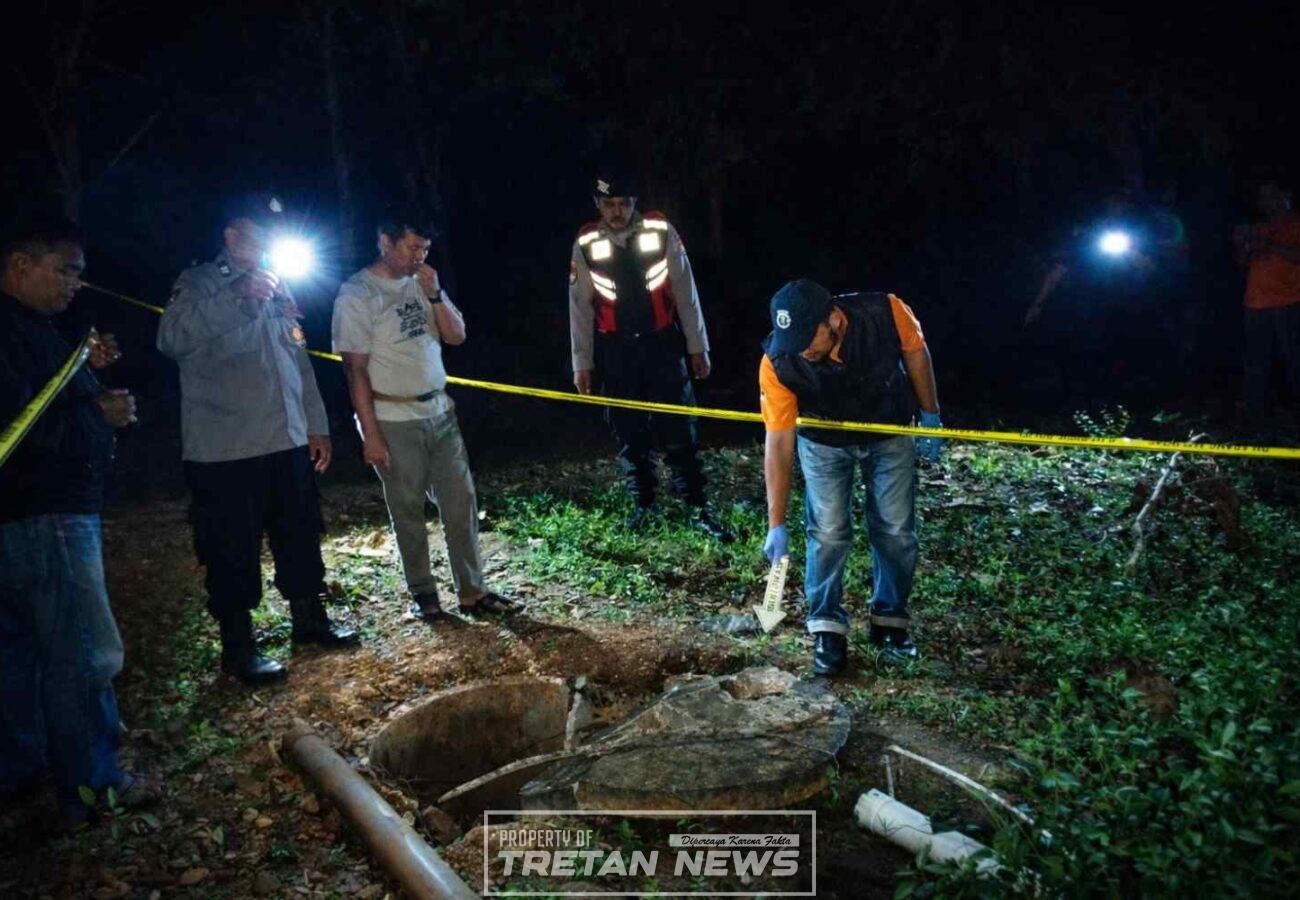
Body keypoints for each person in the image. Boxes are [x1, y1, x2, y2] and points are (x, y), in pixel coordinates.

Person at [157, 195, 356, 686]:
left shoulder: (279, 284)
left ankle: (310, 621)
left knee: (301, 533)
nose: (269, 242)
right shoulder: (198, 283)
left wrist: (315, 425)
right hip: (225, 449)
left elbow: (297, 360)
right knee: (229, 547)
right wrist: (236, 296)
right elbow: (170, 339)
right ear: (232, 236)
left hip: (285, 441)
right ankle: (239, 646)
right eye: (259, 232)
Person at [0, 216, 154, 827]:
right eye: (65, 269)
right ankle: (94, 785)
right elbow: (32, 431)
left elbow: (45, 404)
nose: (76, 285)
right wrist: (102, 414)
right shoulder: (12, 335)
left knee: (19, 654)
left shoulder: (31, 332)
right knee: (83, 651)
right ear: (20, 264)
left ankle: (26, 776)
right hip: (47, 516)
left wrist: (82, 375)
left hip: (18, 519)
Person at [332, 208, 513, 621]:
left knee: (460, 502)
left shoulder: (423, 282)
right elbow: (354, 369)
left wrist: (435, 294)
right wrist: (370, 434)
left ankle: (473, 590)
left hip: (440, 409)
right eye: (413, 248)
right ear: (385, 242)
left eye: (426, 249)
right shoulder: (357, 294)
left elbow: (457, 336)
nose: (420, 256)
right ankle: (424, 594)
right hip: (393, 418)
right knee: (408, 508)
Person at [759, 280, 943, 676]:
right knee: (827, 532)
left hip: (889, 431)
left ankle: (890, 622)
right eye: (792, 340)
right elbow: (778, 442)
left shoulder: (887, 312)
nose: (801, 351)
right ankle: (827, 628)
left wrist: (930, 413)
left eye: (809, 339)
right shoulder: (778, 361)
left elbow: (916, 354)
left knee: (895, 529)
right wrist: (776, 523)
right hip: (823, 442)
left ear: (834, 320)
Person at [568, 173, 728, 538]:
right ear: (597, 204)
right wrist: (583, 363)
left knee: (679, 426)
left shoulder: (660, 232)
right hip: (615, 349)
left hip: (662, 344)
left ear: (634, 202)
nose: (617, 211)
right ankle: (644, 504)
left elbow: (686, 293)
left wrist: (697, 347)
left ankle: (697, 506)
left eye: (624, 203)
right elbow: (579, 308)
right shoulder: (586, 243)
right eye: (609, 204)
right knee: (628, 429)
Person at [1233, 179, 1300, 423]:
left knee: (1294, 358)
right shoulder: (1258, 227)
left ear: (1285, 194)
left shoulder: (1295, 224)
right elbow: (1241, 262)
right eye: (1263, 197)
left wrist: (1269, 245)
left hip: (1290, 300)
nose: (1267, 202)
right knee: (1256, 359)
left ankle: (1293, 412)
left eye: (1271, 195)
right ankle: (1255, 412)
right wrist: (1243, 245)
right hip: (1256, 302)